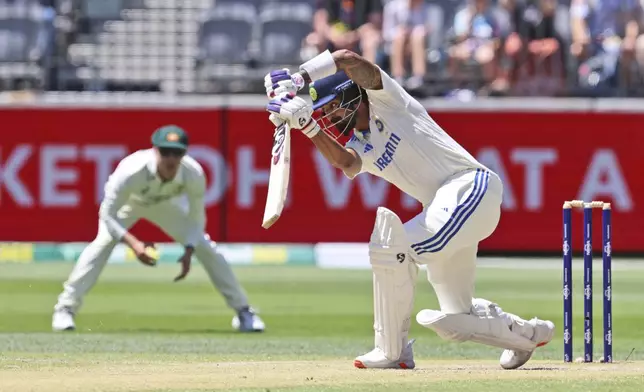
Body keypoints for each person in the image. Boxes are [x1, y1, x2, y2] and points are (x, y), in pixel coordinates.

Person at [263, 49, 554, 370]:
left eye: (330, 109)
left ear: (349, 96)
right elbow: (345, 163)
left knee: (392, 249)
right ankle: (529, 334)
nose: (329, 118)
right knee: (457, 319)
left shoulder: (390, 101)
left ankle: (392, 351)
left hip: (471, 187)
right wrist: (305, 126)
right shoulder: (360, 143)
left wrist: (299, 78)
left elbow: (347, 57)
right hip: (448, 208)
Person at [52, 125, 265, 333]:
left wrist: (190, 248)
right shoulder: (131, 170)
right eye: (165, 152)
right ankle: (65, 308)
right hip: (131, 204)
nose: (171, 159)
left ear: (184, 154)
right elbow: (107, 214)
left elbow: (197, 216)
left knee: (206, 247)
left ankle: (243, 311)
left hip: (164, 205)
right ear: (155, 150)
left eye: (177, 153)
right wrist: (134, 244)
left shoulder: (193, 173)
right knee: (102, 244)